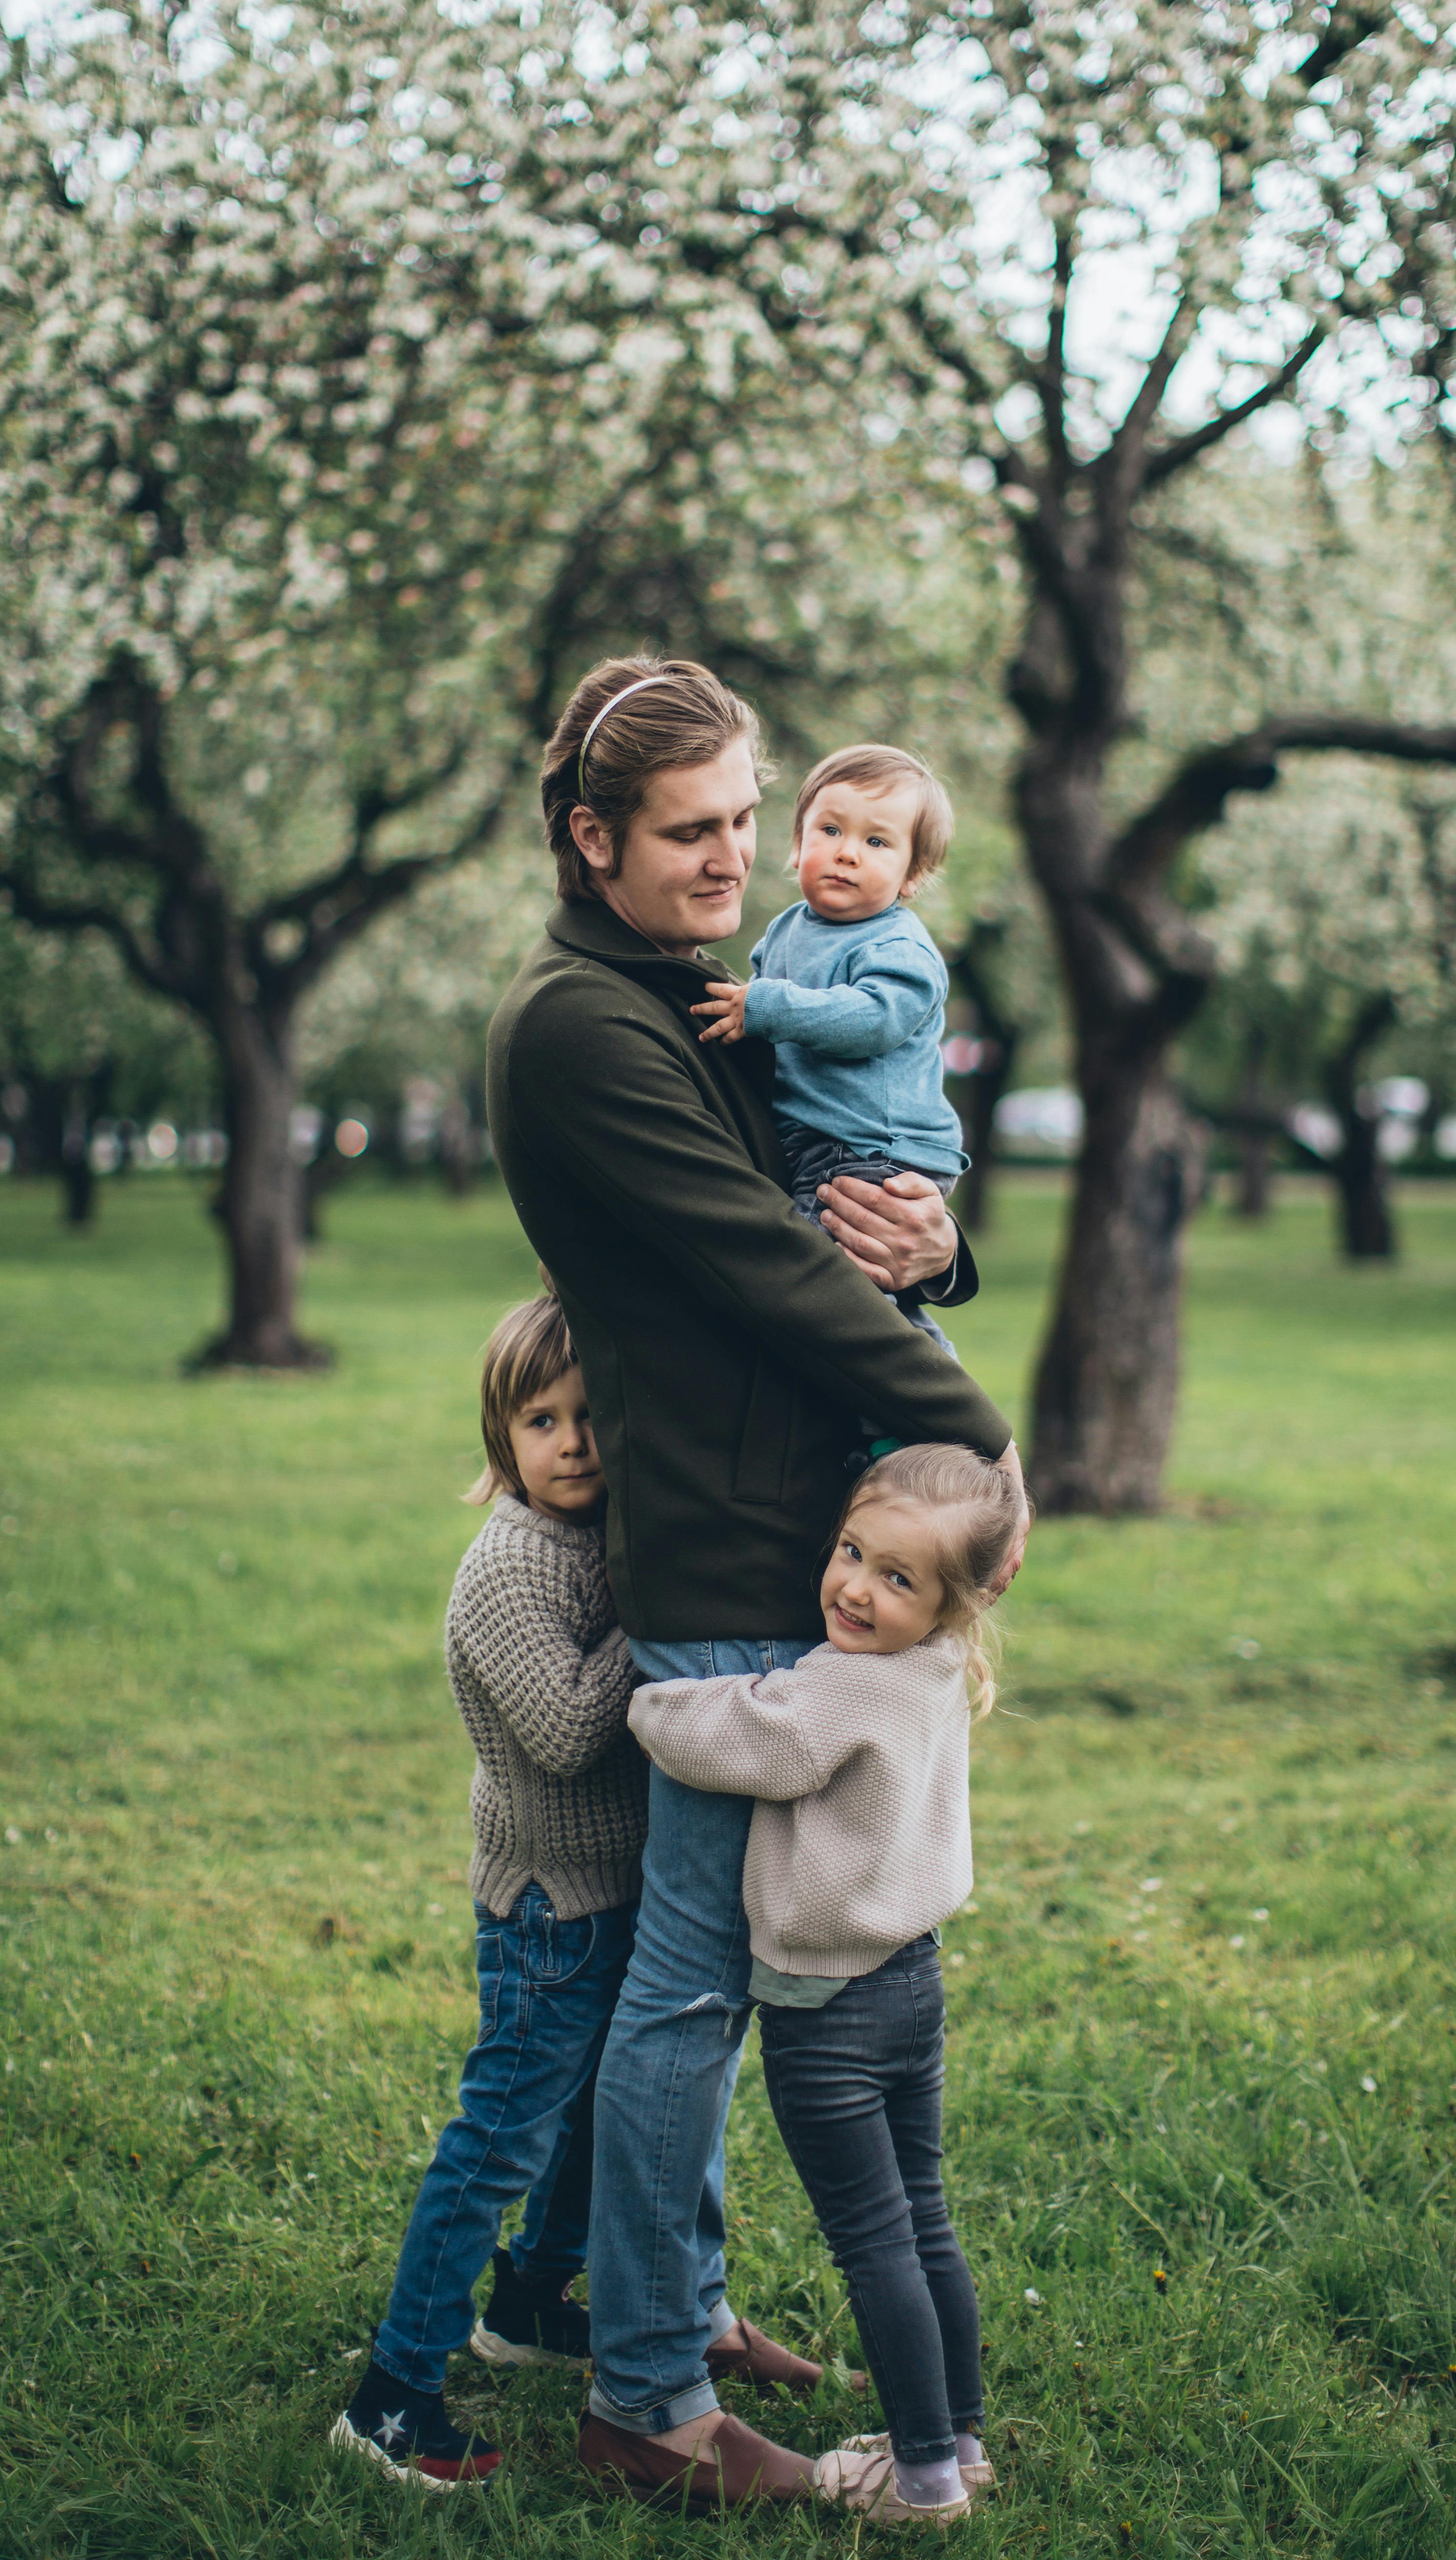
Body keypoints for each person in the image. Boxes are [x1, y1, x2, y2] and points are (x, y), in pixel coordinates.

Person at [486, 654, 1027, 2512]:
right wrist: (978, 1441)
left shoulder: (689, 980)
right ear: (592, 838)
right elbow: (753, 1260)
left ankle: (664, 2297)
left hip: (796, 1518)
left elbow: (834, 1205)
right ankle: (644, 2390)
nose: (740, 857)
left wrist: (930, 1246)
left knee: (696, 1968)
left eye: (746, 816)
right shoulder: (579, 1022)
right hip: (719, 1535)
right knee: (695, 1985)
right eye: (695, 830)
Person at [629, 1444, 1015, 2530]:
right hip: (912, 1983)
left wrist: (646, 1695)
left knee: (875, 2237)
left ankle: (922, 2476)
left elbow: (740, 1735)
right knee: (926, 2218)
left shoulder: (841, 1685)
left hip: (826, 2010)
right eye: (852, 1552)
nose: (855, 1586)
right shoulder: (939, 1666)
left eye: (897, 1578)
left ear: (952, 1599)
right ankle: (960, 2436)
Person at [331, 1296, 647, 2494]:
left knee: (590, 2121)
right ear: (498, 1436)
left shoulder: (591, 1535)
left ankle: (524, 2303)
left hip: (607, 1894)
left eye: (589, 1415)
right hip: (543, 1911)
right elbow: (569, 1730)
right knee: (497, 2141)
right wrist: (652, 1608)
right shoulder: (510, 1568)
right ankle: (393, 2396)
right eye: (540, 1419)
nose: (571, 1442)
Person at [691, 745, 966, 1349]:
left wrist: (763, 1006)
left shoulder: (901, 948)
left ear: (911, 874)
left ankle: (925, 1392)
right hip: (819, 1138)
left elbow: (872, 1021)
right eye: (832, 829)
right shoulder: (788, 928)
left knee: (827, 1282)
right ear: (797, 845)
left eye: (877, 842)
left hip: (878, 1146)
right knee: (841, 1283)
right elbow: (767, 1032)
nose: (847, 851)